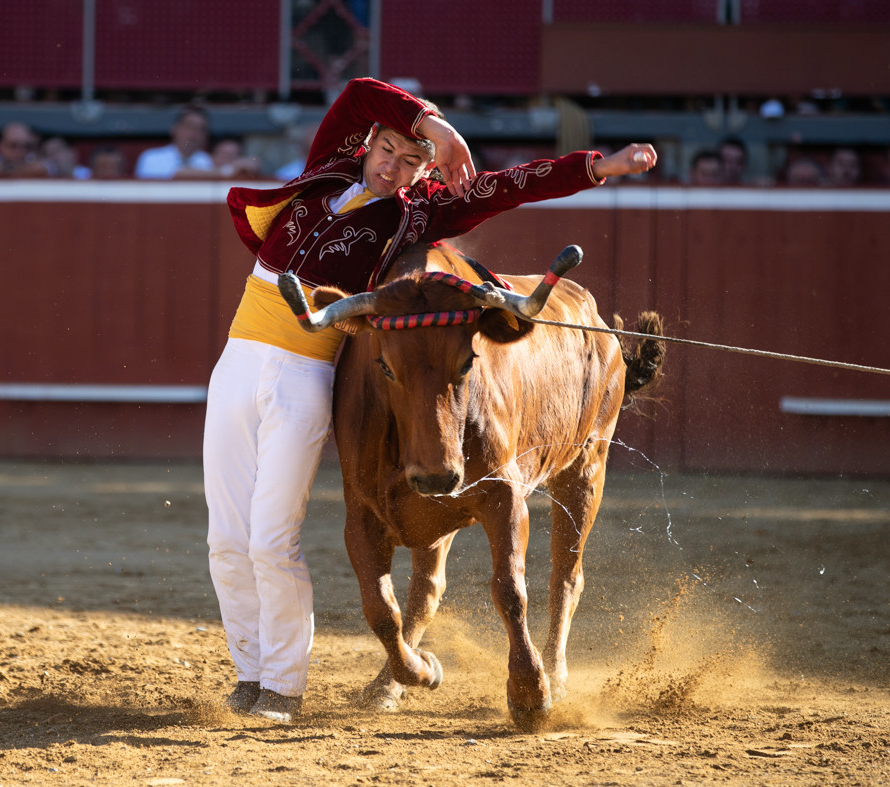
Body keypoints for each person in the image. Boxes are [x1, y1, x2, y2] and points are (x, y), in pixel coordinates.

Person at [203, 76, 657, 724]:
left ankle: (280, 685)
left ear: (425, 176)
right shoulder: (325, 171)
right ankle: (248, 674)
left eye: (411, 162)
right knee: (226, 538)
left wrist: (596, 167)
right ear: (369, 145)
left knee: (270, 539)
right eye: (389, 150)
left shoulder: (422, 211)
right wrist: (432, 125)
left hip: (307, 369)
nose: (395, 167)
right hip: (237, 362)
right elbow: (359, 92)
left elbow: (515, 185)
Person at [134, 105, 215, 179]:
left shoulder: (206, 160)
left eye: (200, 129)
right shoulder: (151, 158)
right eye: (189, 127)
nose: (194, 134)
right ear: (174, 129)